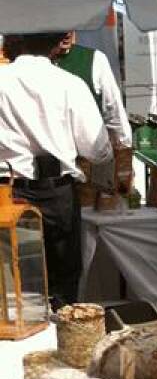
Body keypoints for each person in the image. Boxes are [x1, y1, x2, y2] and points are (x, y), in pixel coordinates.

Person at [0, 31, 112, 305]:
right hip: (56, 192)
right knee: (62, 284)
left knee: (13, 285)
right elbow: (97, 150)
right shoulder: (69, 84)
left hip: (7, 190)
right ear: (54, 45)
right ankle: (61, 341)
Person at [51, 32, 133, 149]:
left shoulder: (94, 59)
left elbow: (113, 110)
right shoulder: (30, 62)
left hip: (88, 155)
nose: (68, 32)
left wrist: (124, 146)